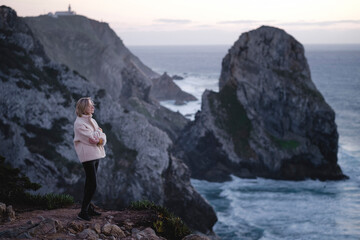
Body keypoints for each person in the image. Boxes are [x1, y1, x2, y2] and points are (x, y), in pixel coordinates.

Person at [73, 97, 107, 221]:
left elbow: (101, 137)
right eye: (90, 105)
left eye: (93, 105)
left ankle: (88, 208)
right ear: (83, 108)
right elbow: (93, 138)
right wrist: (99, 134)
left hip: (95, 154)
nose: (93, 107)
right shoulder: (79, 123)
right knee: (92, 184)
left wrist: (99, 135)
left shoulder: (92, 120)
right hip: (87, 156)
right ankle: (83, 212)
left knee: (89, 183)